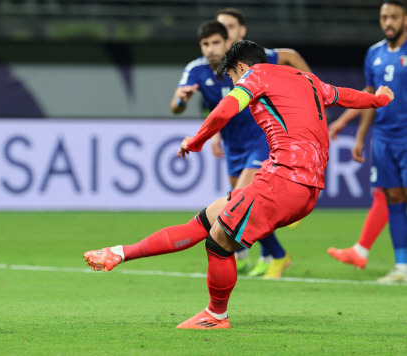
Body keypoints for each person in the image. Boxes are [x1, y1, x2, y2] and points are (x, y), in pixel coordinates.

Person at [85, 40, 393, 329]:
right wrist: (378, 99)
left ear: (242, 67)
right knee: (207, 220)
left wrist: (196, 140)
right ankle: (119, 252)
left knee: (219, 242)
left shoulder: (255, 76)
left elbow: (224, 111)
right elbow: (345, 95)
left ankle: (216, 314)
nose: (234, 84)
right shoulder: (306, 79)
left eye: (232, 77)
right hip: (303, 186)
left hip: (283, 180)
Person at [213, 7, 312, 275]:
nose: (225, 33)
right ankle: (271, 254)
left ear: (241, 31)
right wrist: (214, 134)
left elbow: (290, 55)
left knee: (240, 201)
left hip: (260, 140)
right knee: (243, 204)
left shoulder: (254, 57)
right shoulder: (209, 65)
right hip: (234, 146)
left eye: (230, 27)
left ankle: (265, 254)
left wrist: (312, 84)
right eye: (220, 29)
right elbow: (216, 104)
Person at [330, 0, 407, 282]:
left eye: (394, 17)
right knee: (394, 198)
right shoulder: (374, 53)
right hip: (384, 138)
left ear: (406, 19)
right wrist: (352, 129)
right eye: (384, 16)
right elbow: (371, 96)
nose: (388, 22)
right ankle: (402, 267)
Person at [326, 110, 389, 270]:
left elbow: (370, 95)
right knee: (386, 194)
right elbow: (370, 94)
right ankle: (361, 250)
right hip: (393, 136)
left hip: (395, 137)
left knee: (388, 194)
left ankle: (361, 250)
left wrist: (343, 119)